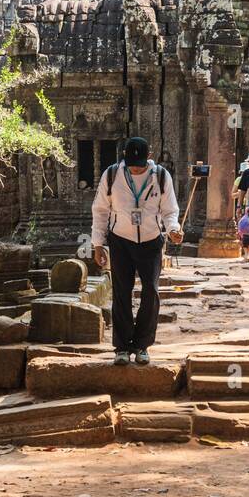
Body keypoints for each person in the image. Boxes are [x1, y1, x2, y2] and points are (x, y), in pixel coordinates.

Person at [91, 135, 182, 365]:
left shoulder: (160, 176)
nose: (136, 171)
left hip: (151, 240)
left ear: (148, 158)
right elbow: (100, 210)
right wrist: (98, 244)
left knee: (151, 291)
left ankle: (142, 345)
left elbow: (170, 210)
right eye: (131, 167)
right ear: (124, 160)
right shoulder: (112, 175)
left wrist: (173, 229)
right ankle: (121, 347)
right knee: (122, 292)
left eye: (140, 167)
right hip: (120, 239)